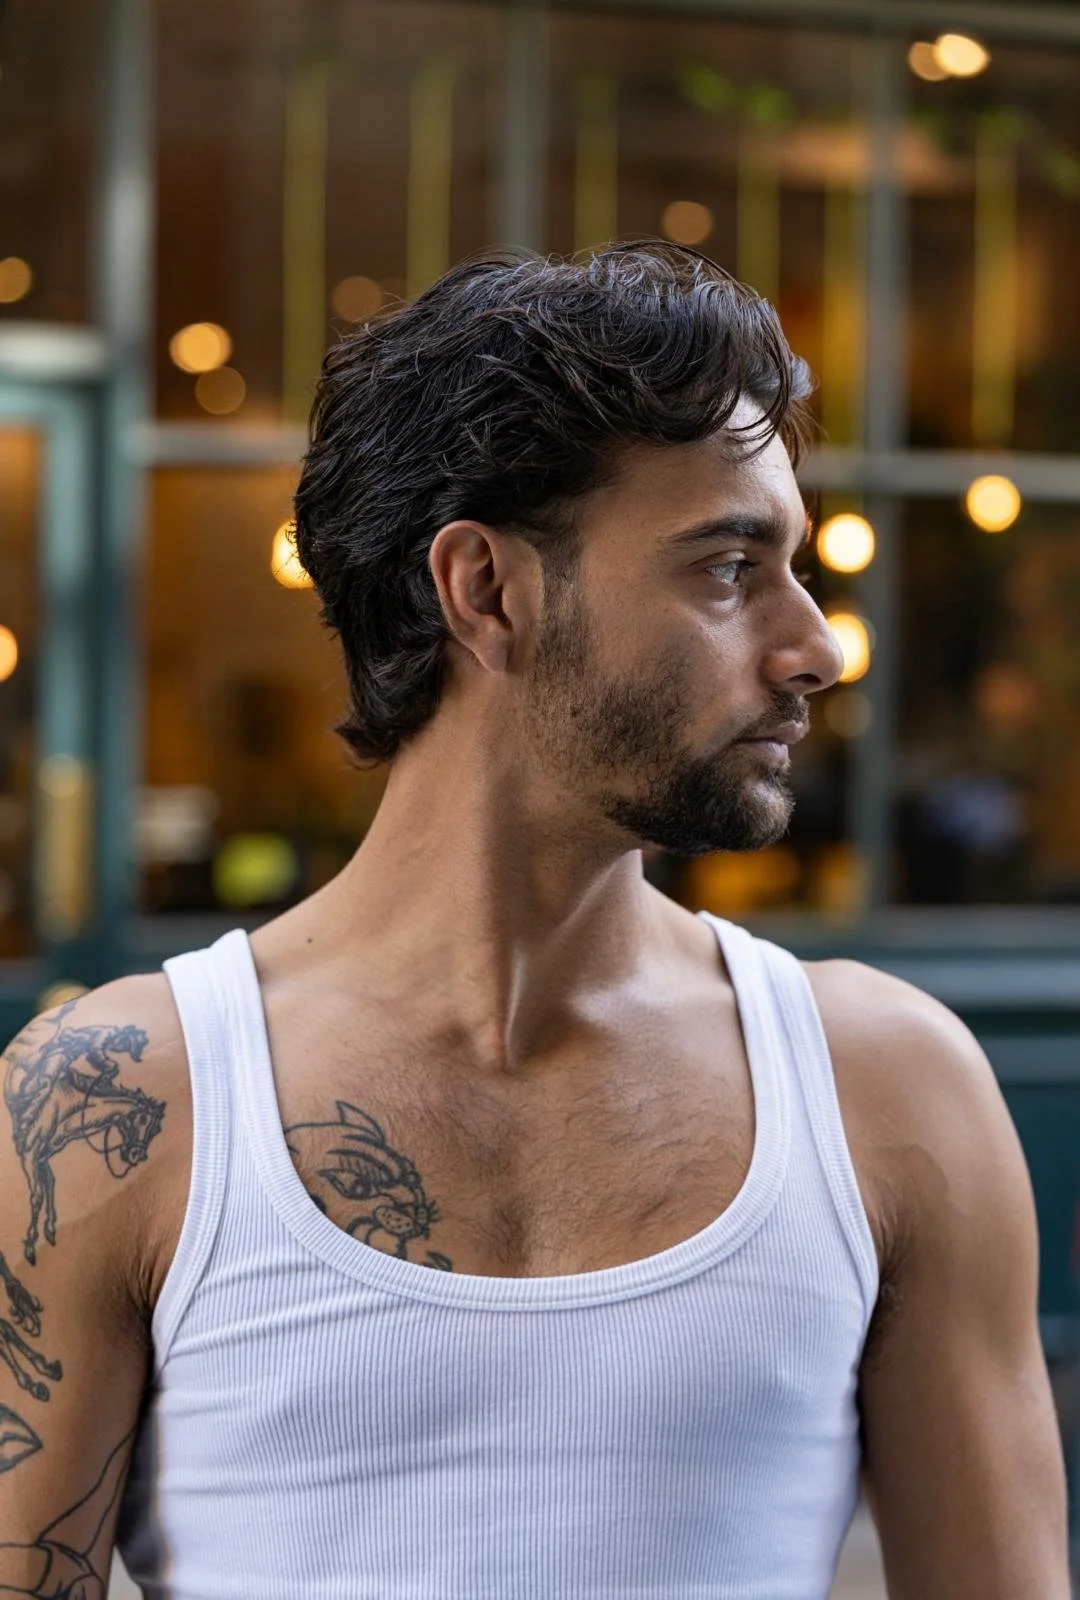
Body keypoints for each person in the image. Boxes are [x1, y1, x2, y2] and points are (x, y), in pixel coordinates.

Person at [0, 243, 1069, 1599]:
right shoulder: (121, 1105)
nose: (817, 648)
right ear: (487, 592)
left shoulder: (888, 1085)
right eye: (731, 569)